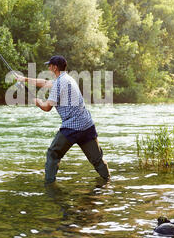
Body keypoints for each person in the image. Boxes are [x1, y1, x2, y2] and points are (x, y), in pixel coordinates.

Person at [16, 55, 110, 184]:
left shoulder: (58, 84)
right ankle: (108, 182)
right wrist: (24, 79)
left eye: (49, 65)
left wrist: (36, 101)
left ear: (55, 67)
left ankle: (49, 185)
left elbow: (46, 108)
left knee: (52, 154)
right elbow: (44, 83)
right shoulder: (68, 79)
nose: (48, 68)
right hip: (87, 125)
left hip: (72, 127)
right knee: (97, 159)